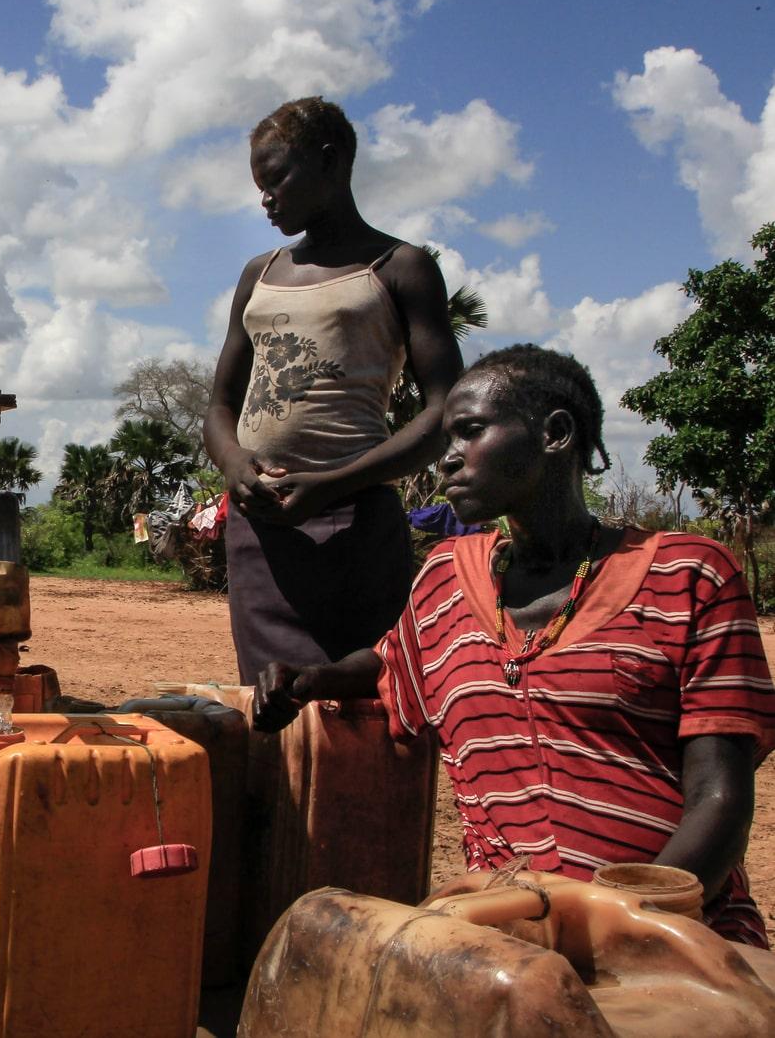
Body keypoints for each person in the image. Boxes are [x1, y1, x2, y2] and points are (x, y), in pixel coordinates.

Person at [253, 345, 775, 946]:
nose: (447, 460)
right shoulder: (447, 579)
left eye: (470, 432)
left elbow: (721, 796)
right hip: (504, 929)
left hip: (676, 931)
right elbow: (394, 660)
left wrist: (620, 921)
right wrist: (315, 678)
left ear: (555, 433)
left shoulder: (689, 577)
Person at [203, 97, 463, 678]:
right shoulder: (260, 274)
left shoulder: (399, 267)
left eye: (277, 180)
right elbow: (220, 405)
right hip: (262, 529)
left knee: (363, 707)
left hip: (353, 525)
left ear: (330, 161)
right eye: (259, 187)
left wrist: (331, 485)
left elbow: (446, 409)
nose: (266, 200)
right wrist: (235, 466)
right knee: (269, 701)